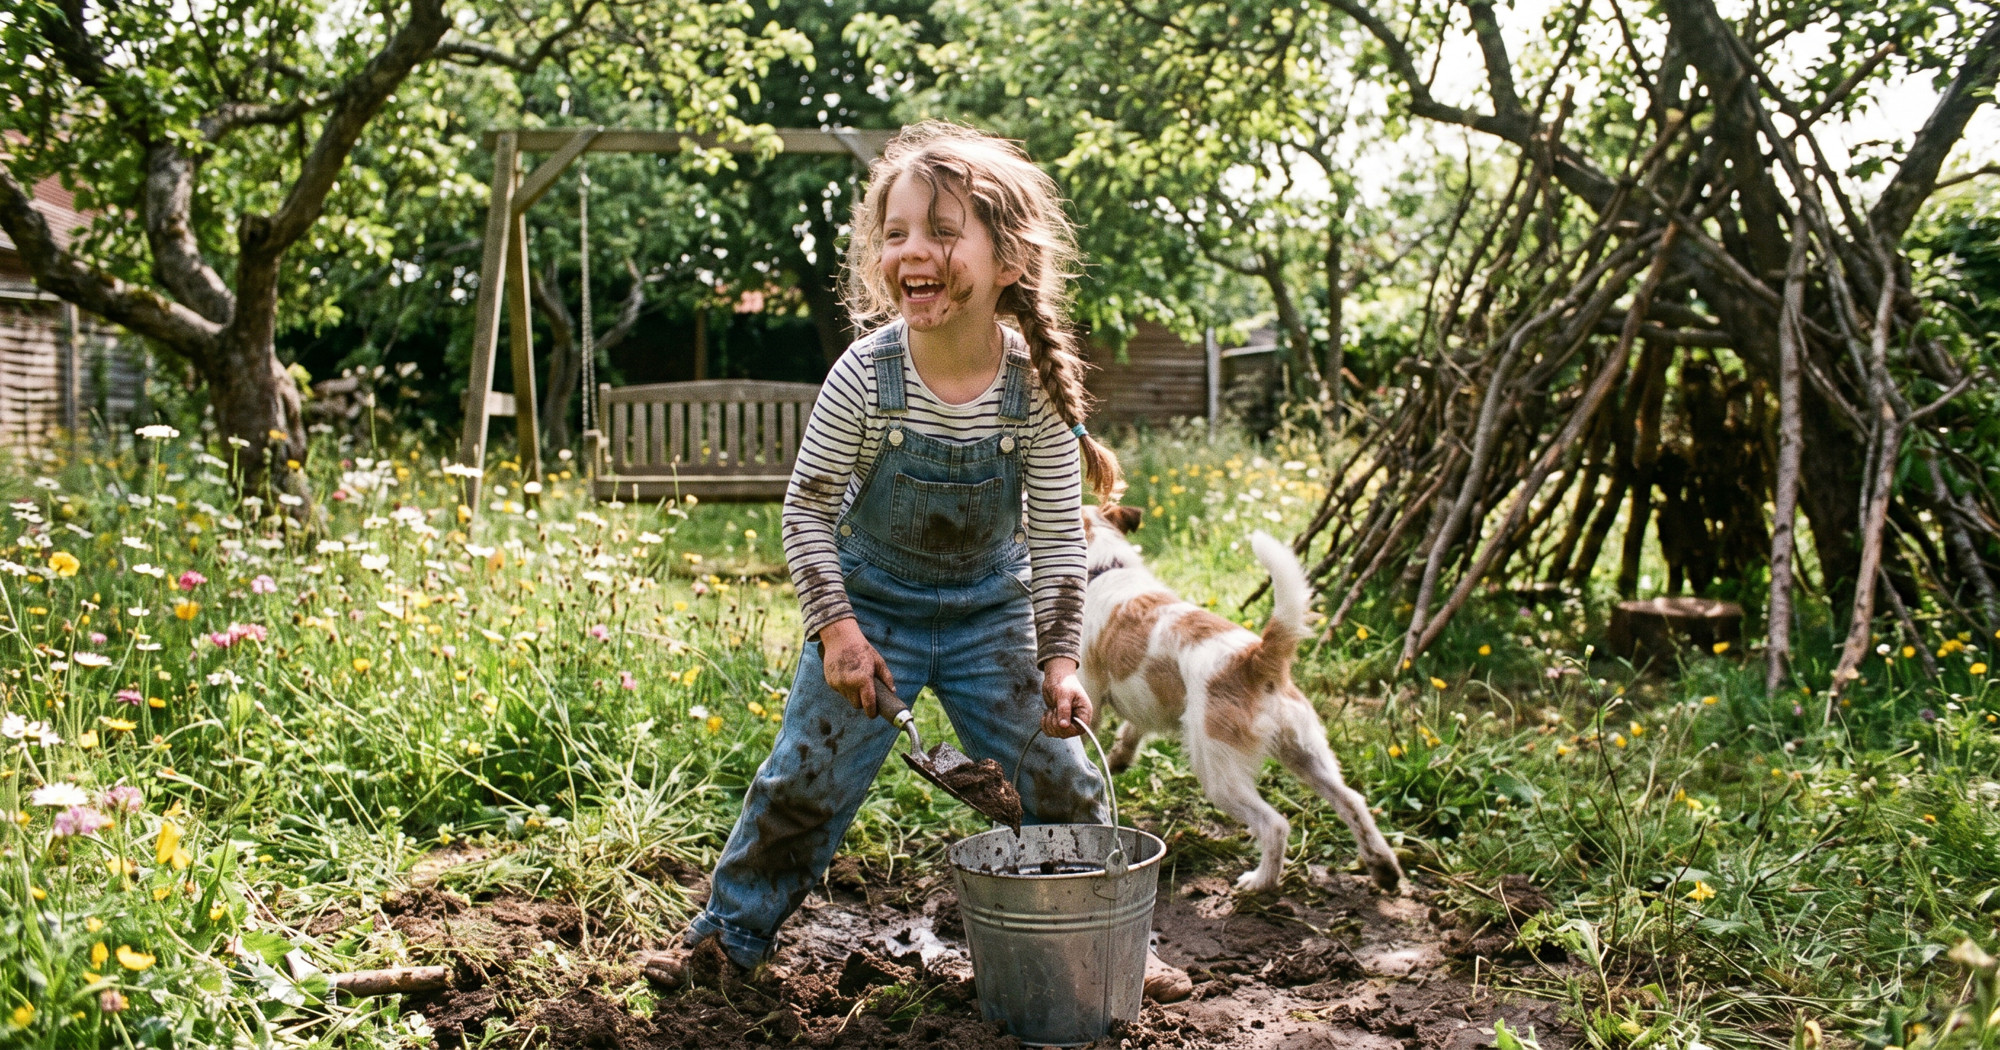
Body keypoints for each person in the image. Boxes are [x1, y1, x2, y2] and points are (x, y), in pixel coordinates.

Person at [642, 122, 1189, 1001]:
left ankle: (1113, 947)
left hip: (990, 618)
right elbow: (809, 508)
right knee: (803, 780)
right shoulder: (867, 375)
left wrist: (1057, 661)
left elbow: (1055, 540)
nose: (912, 252)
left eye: (941, 231)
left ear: (1008, 259)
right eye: (895, 234)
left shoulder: (1032, 391)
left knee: (1062, 776)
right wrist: (838, 632)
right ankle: (726, 942)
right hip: (872, 610)